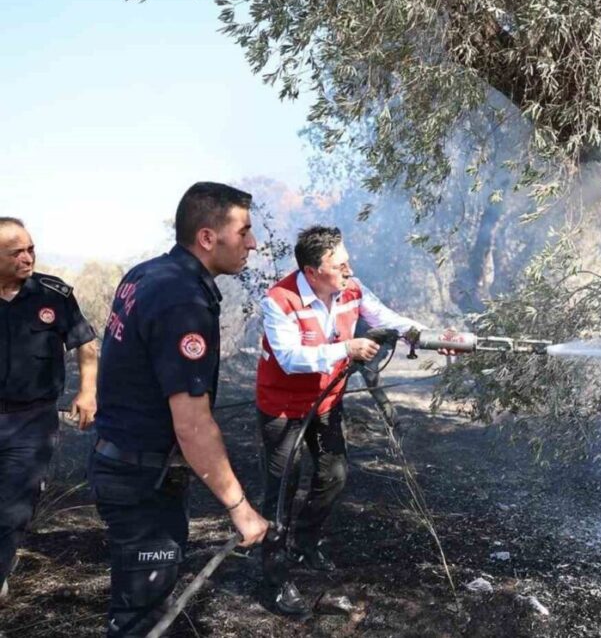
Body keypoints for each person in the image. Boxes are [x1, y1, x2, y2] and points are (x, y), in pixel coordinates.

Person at [89, 182, 268, 636]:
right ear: (208, 238)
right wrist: (240, 507)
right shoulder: (183, 299)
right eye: (243, 230)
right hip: (140, 480)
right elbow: (192, 425)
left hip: (125, 463)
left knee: (146, 604)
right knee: (141, 619)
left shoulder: (147, 273)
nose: (252, 242)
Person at [255, 225, 427, 614]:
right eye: (340, 265)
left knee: (334, 476)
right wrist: (345, 348)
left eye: (347, 262)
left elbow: (385, 317)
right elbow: (290, 357)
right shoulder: (279, 300)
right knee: (282, 490)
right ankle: (276, 579)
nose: (349, 270)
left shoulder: (351, 288)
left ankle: (304, 543)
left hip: (327, 402)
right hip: (283, 409)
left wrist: (423, 334)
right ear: (313, 272)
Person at [0, 217, 97, 602]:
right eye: (16, 252)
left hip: (31, 422)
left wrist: (88, 391)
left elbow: (85, 345)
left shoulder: (52, 295)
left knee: (14, 507)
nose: (27, 258)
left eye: (31, 249)